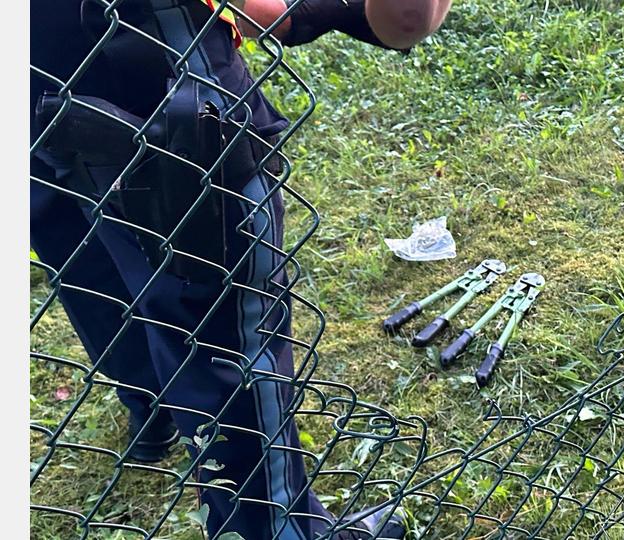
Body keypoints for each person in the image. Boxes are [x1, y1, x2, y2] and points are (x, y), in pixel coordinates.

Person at [30, 1, 451, 538]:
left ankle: (150, 405)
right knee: (217, 310)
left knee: (84, 246)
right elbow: (403, 18)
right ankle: (275, 528)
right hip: (150, 60)